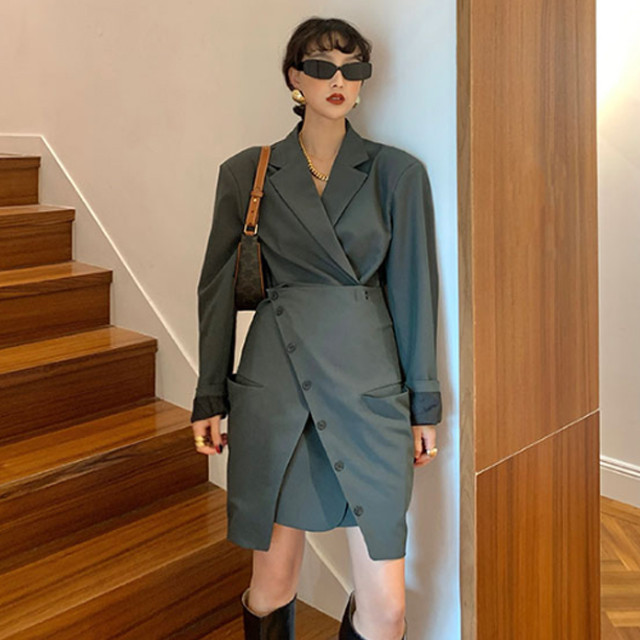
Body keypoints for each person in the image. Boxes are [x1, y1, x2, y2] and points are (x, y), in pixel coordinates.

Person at [190, 16, 442, 640]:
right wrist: (210, 395)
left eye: (353, 69)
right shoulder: (247, 172)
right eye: (322, 66)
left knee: (387, 609)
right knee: (272, 585)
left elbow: (415, 293)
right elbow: (217, 293)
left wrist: (424, 404)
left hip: (369, 392)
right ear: (294, 79)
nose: (339, 80)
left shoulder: (396, 174)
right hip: (277, 390)